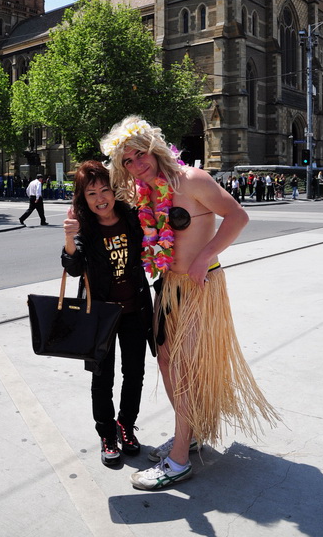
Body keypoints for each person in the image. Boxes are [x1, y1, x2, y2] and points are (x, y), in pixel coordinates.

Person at [101, 116, 279, 491]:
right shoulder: (145, 193)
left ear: (154, 148)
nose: (136, 164)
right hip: (168, 287)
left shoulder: (192, 180)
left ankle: (179, 461)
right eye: (127, 161)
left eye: (140, 154)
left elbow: (238, 216)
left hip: (200, 286)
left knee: (185, 369)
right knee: (166, 361)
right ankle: (191, 433)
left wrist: (205, 256)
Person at [61, 161, 154, 467]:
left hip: (134, 309)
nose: (100, 198)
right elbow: (74, 268)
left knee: (135, 373)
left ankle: (126, 425)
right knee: (102, 377)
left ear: (113, 191)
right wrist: (69, 238)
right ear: (83, 198)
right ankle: (106, 434)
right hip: (100, 315)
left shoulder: (131, 217)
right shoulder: (84, 227)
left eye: (104, 190)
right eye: (92, 193)